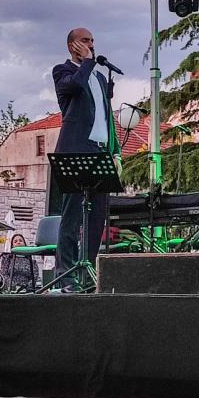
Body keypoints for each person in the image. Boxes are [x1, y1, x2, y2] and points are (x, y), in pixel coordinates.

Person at [52, 27, 121, 292]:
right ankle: (66, 274)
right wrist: (88, 62)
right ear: (72, 45)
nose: (91, 44)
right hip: (76, 150)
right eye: (85, 40)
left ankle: (87, 273)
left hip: (101, 150)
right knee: (72, 214)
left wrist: (115, 151)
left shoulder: (101, 79)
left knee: (97, 216)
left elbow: (107, 117)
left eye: (93, 40)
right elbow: (74, 86)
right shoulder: (63, 70)